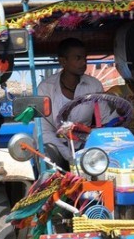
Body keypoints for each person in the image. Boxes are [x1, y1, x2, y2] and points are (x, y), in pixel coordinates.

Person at [38, 38, 114, 169]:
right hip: (56, 145)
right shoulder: (46, 87)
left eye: (85, 58)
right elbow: (44, 131)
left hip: (86, 146)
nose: (83, 63)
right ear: (63, 61)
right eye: (78, 58)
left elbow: (105, 120)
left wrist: (119, 112)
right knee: (47, 156)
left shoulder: (94, 85)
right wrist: (69, 156)